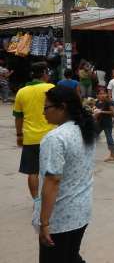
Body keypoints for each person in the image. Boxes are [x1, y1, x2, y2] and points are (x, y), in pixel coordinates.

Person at [34, 85, 96, 262]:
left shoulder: (55, 138)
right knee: (70, 256)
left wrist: (44, 222)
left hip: (60, 217)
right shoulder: (85, 129)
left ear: (62, 107)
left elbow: (52, 181)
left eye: (46, 108)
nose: (43, 113)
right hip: (81, 211)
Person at [14, 62, 55, 199]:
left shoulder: (21, 92)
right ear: (44, 73)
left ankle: (37, 201)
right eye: (48, 72)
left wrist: (19, 135)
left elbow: (18, 117)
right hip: (51, 137)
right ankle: (50, 199)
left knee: (33, 171)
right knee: (53, 171)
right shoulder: (51, 88)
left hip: (30, 138)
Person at [94, 88, 114, 162]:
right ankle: (86, 153)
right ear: (97, 95)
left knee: (109, 138)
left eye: (103, 93)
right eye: (100, 94)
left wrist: (101, 111)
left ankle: (112, 155)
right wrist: (94, 113)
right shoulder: (97, 102)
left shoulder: (108, 102)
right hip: (99, 123)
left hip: (107, 123)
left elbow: (113, 113)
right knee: (92, 137)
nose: (102, 95)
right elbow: (96, 113)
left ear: (106, 94)